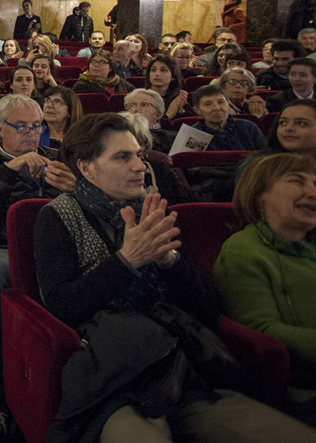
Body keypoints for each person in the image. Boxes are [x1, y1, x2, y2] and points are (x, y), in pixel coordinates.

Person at [34, 113, 313, 443]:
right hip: (115, 378)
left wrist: (170, 262)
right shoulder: (58, 216)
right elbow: (63, 307)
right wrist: (127, 261)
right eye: (122, 157)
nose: (139, 166)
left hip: (180, 368)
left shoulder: (154, 212)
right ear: (87, 167)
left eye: (138, 155)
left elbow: (208, 310)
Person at [0, 94, 76, 442]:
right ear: (0, 129)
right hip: (6, 247)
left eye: (36, 126)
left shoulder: (57, 158)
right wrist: (9, 172)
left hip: (58, 249)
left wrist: (77, 188)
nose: (31, 134)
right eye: (21, 127)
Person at [215, 152, 316, 426]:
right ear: (260, 195)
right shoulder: (242, 250)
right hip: (301, 387)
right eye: (297, 181)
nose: (312, 192)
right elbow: (262, 332)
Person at [190, 84, 268, 152]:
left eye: (221, 102)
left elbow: (266, 156)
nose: (217, 108)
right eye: (208, 104)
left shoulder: (248, 127)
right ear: (197, 110)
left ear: (228, 104)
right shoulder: (194, 135)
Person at [124, 88, 178, 154]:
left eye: (144, 105)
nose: (137, 109)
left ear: (159, 114)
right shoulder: (120, 136)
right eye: (132, 105)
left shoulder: (175, 139)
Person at [145, 54, 191, 119]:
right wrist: (168, 115)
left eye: (163, 70)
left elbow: (194, 119)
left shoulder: (177, 98)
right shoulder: (141, 96)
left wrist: (181, 111)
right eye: (153, 70)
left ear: (173, 76)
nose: (157, 74)